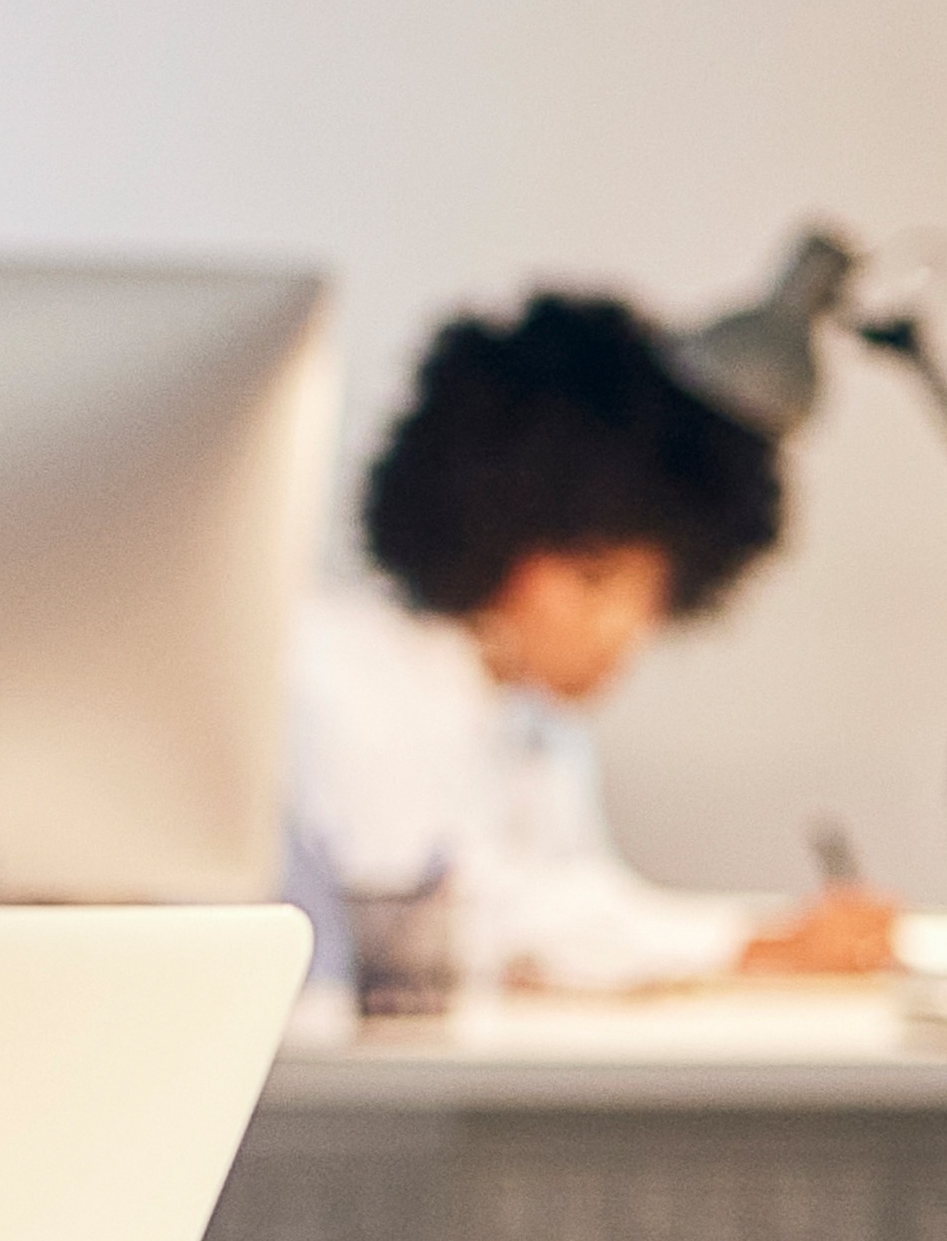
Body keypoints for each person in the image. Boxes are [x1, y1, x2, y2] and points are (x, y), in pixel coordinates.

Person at [288, 290, 906, 992]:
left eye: (648, 594)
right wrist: (749, 945)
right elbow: (466, 926)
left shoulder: (535, 718)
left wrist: (770, 940)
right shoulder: (340, 672)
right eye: (591, 579)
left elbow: (586, 903)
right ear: (486, 544)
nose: (622, 628)